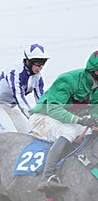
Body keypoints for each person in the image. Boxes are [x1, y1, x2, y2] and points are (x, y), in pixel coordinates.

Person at [28, 50, 98, 191]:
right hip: (43, 117)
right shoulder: (68, 79)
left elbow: (94, 112)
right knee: (69, 131)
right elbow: (53, 109)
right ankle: (46, 178)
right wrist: (80, 120)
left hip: (68, 120)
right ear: (95, 71)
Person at [0, 43, 48, 133]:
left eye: (43, 63)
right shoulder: (15, 72)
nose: (40, 67)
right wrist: (33, 118)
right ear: (27, 61)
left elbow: (41, 100)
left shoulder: (38, 77)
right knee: (12, 135)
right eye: (38, 63)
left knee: (31, 134)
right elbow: (19, 97)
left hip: (12, 108)